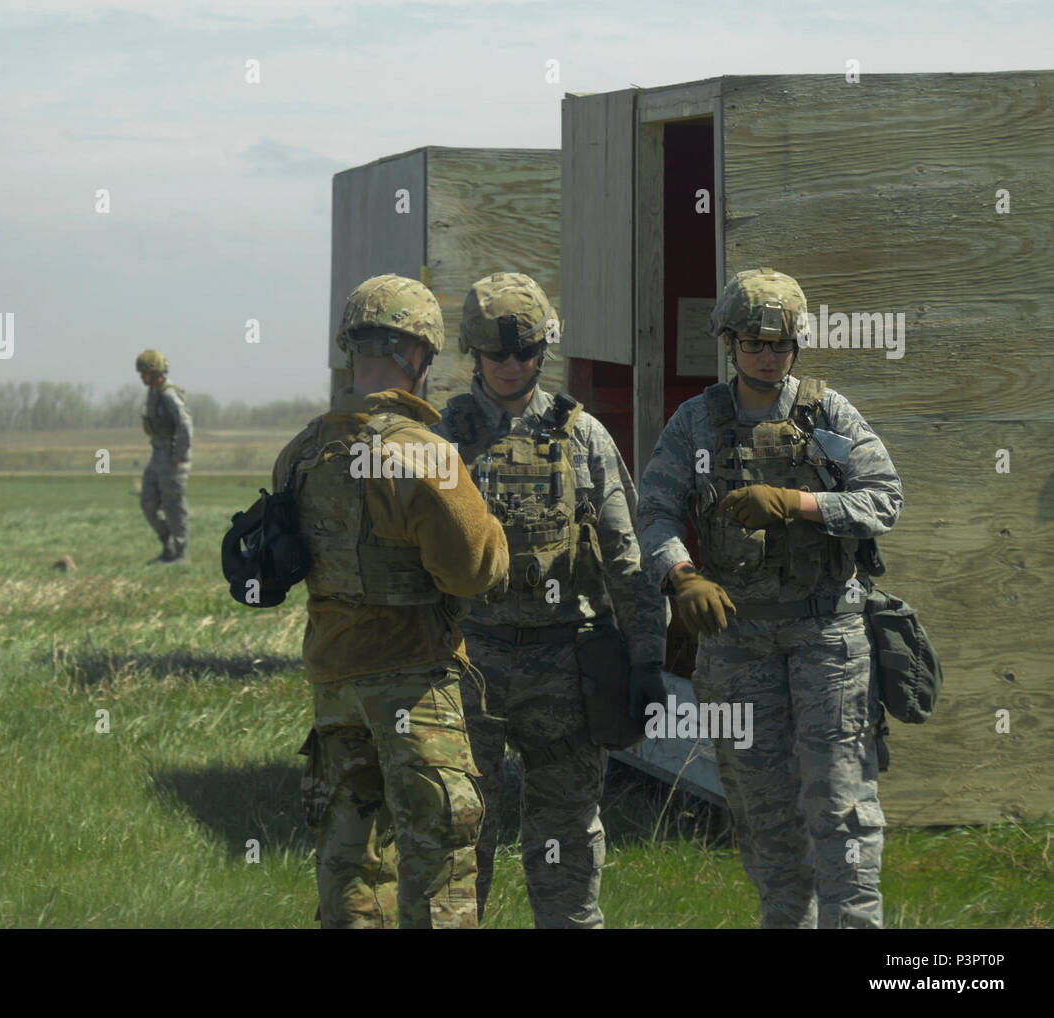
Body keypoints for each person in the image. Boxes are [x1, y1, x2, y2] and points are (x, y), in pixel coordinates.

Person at [636, 267, 904, 929]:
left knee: (840, 806)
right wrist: (682, 577)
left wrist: (799, 502)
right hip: (735, 642)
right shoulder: (697, 423)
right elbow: (655, 514)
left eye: (781, 343)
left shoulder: (826, 416)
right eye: (753, 342)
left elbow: (883, 498)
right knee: (761, 811)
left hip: (826, 639)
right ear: (727, 341)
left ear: (797, 345)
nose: (767, 355)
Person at [431, 271, 668, 929]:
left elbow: (626, 555)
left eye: (526, 352)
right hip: (467, 662)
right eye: (497, 353)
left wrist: (648, 657)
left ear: (545, 349)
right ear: (472, 353)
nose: (512, 365)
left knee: (565, 838)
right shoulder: (443, 438)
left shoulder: (580, 435)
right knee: (457, 829)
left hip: (564, 665)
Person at [275, 273, 509, 929]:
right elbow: (471, 570)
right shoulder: (422, 455)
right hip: (411, 686)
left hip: (333, 684)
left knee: (349, 864)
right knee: (439, 863)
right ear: (416, 354)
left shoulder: (301, 452)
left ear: (353, 349)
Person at [135, 350, 192, 564]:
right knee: (148, 503)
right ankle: (168, 547)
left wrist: (180, 456)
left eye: (144, 373)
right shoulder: (153, 392)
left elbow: (185, 425)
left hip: (172, 458)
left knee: (174, 506)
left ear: (155, 372)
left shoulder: (168, 395)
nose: (142, 377)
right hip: (157, 456)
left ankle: (181, 554)